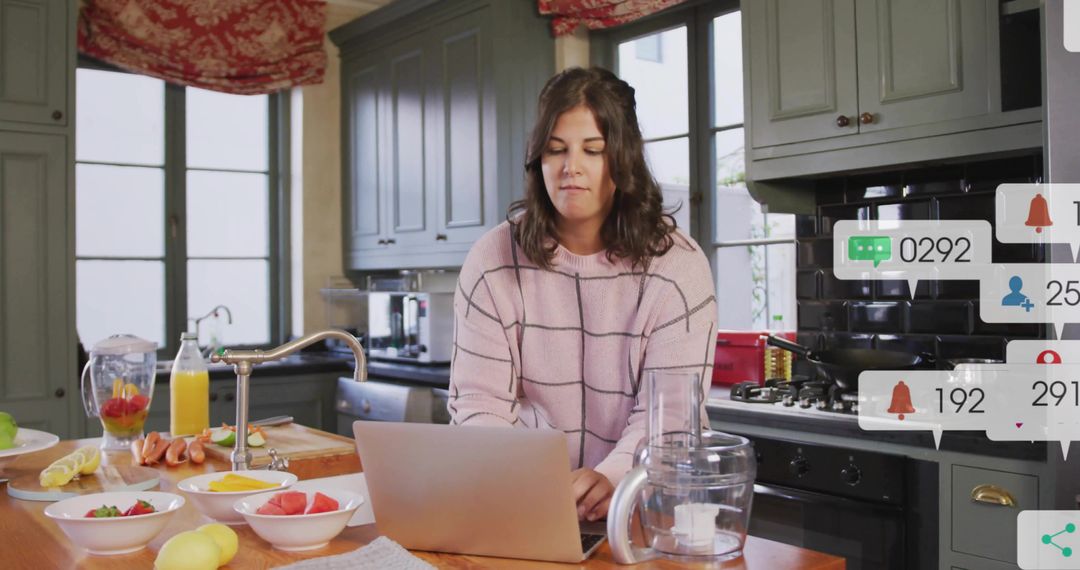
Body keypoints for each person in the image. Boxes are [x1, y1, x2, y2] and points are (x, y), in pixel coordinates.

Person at [448, 66, 717, 522]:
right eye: (556, 150)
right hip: (525, 504)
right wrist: (532, 486)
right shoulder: (492, 260)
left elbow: (669, 417)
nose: (570, 167)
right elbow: (478, 404)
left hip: (642, 509)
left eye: (592, 150)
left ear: (624, 159)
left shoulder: (678, 267)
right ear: (538, 159)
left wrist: (612, 477)